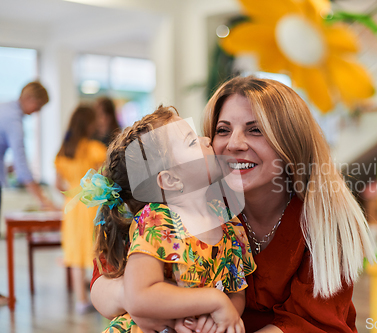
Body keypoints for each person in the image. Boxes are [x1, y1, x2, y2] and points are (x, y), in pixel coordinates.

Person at [90, 76, 377, 332]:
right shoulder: (177, 207)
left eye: (256, 130)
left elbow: (312, 323)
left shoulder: (325, 220)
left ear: (290, 141)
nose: (235, 144)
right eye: (223, 130)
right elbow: (104, 284)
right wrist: (157, 304)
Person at [83, 105, 255, 333]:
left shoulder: (230, 224)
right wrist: (215, 301)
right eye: (192, 142)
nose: (206, 139)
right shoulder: (157, 221)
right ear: (171, 180)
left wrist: (220, 316)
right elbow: (140, 295)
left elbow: (236, 291)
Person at [55, 104, 107, 313]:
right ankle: (103, 297)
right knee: (99, 248)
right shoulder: (94, 149)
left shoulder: (63, 152)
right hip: (91, 203)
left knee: (76, 252)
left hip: (72, 206)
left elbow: (58, 184)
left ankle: (81, 299)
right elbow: (104, 175)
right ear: (88, 123)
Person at [0, 81, 57, 210]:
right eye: (39, 105)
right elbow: (21, 162)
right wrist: (43, 200)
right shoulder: (13, 120)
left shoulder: (5, 108)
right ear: (28, 98)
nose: (38, 111)